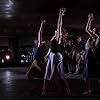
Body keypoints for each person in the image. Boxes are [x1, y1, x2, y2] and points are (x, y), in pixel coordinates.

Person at [41, 8, 71, 96]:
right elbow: (50, 48)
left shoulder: (58, 38)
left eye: (59, 31)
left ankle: (68, 90)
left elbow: (59, 24)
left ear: (61, 33)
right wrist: (47, 55)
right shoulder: (54, 38)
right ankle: (44, 91)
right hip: (51, 55)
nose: (57, 30)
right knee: (47, 74)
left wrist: (60, 14)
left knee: (60, 75)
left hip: (57, 56)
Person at [83, 13, 99, 94]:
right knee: (86, 76)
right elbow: (87, 29)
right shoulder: (92, 37)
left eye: (93, 30)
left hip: (89, 55)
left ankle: (88, 89)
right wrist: (89, 20)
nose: (91, 30)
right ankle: (88, 89)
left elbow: (86, 29)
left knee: (90, 75)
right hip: (87, 54)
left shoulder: (95, 38)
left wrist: (89, 19)